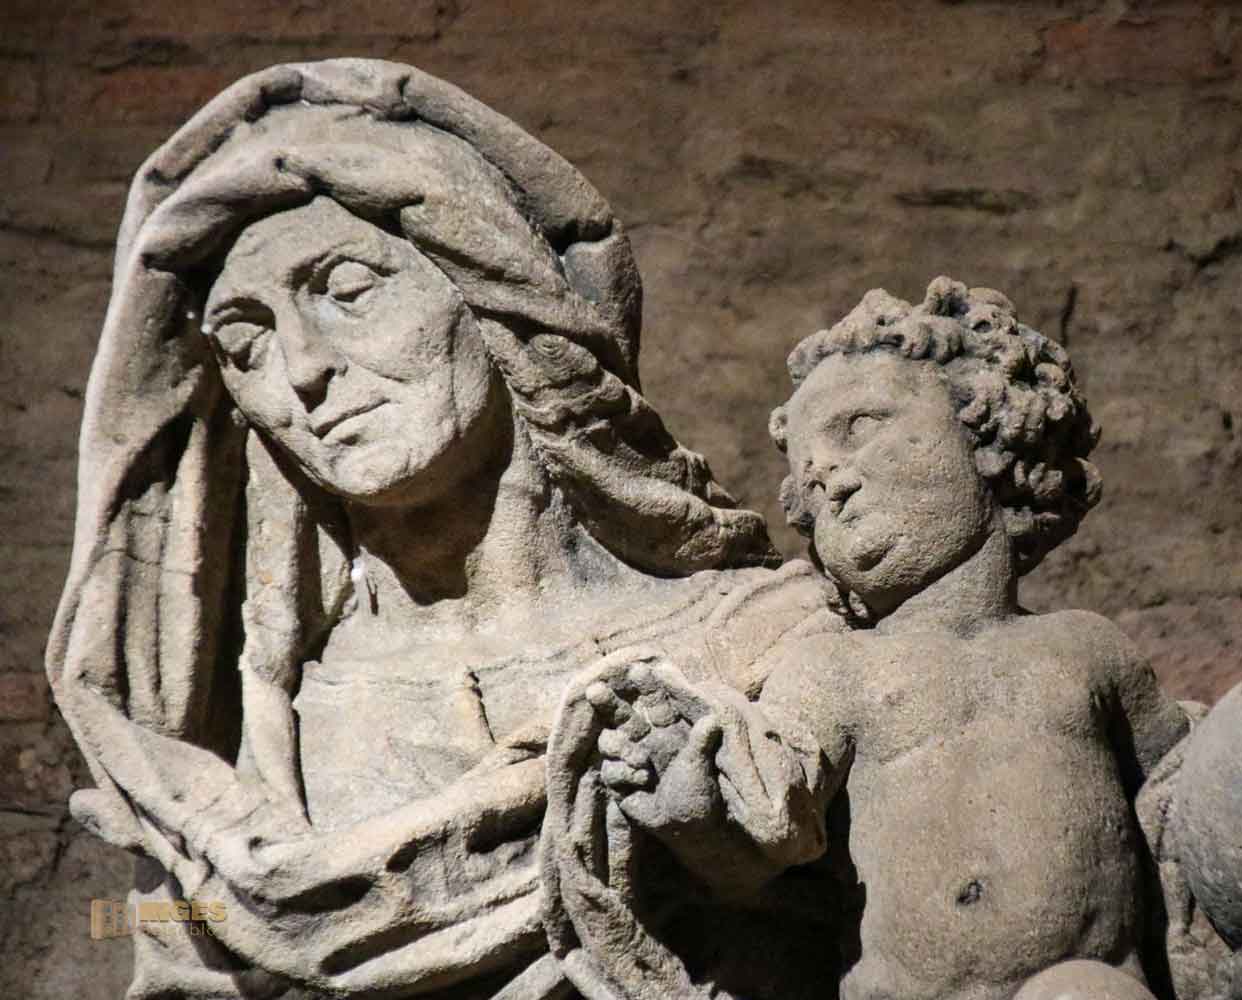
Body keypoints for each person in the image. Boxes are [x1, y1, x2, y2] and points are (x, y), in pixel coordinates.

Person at [46, 59, 839, 1000]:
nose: (303, 369)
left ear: (493, 294)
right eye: (247, 343)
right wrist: (194, 908)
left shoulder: (757, 642)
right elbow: (157, 931)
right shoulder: (235, 744)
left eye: (348, 289)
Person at [582, 279, 1189, 999]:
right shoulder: (836, 666)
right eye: (807, 475)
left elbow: (1182, 803)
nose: (828, 480)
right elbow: (766, 830)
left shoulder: (1086, 650)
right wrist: (695, 803)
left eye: (859, 426)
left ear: (989, 433)